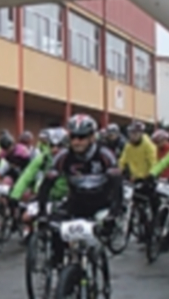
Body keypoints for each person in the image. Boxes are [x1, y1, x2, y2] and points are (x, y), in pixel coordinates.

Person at [37, 114, 123, 266]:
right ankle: (60, 264)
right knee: (55, 228)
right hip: (76, 202)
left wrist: (114, 213)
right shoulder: (63, 156)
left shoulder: (104, 155)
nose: (76, 142)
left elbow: (117, 185)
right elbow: (46, 184)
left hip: (101, 203)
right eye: (73, 137)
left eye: (82, 137)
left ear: (92, 138)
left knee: (96, 242)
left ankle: (99, 272)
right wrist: (42, 212)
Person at [10, 128, 69, 238]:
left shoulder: (72, 158)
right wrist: (15, 194)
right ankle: (33, 236)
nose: (55, 149)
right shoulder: (44, 157)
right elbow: (27, 174)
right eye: (52, 146)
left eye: (59, 146)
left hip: (67, 196)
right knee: (26, 218)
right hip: (46, 195)